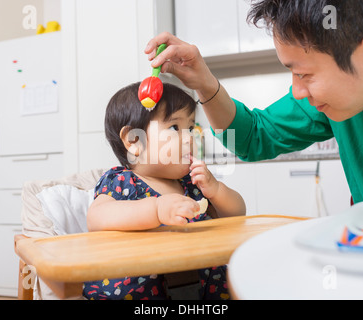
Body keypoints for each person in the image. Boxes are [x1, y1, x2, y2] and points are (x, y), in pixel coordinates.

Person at [144, 0, 363, 205]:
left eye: (304, 74)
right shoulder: (330, 103)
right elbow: (252, 138)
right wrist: (204, 83)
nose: (298, 91)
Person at [83, 82, 245, 300]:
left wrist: (216, 189)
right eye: (174, 128)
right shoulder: (121, 180)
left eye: (191, 128)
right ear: (134, 141)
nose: (189, 138)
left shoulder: (192, 183)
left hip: (203, 287)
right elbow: (96, 217)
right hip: (137, 289)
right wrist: (156, 209)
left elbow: (235, 215)